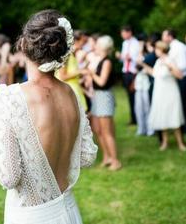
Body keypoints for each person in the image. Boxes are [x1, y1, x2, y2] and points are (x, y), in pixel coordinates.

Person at [0, 9, 97, 224]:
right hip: (69, 211)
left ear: (24, 44)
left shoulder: (10, 98)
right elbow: (87, 156)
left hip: (31, 216)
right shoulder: (71, 93)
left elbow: (9, 177)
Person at [85, 35, 121, 171]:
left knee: (107, 132)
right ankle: (107, 157)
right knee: (98, 130)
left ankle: (115, 160)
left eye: (98, 44)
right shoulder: (99, 60)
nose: (95, 46)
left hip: (104, 97)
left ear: (104, 47)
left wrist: (91, 73)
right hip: (97, 97)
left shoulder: (107, 62)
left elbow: (102, 81)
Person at [145, 41, 186, 151]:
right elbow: (155, 74)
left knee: (174, 115)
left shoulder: (170, 60)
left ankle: (180, 143)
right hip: (159, 92)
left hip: (170, 92)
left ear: (162, 50)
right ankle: (165, 142)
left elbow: (180, 75)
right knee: (162, 116)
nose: (155, 51)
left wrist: (169, 66)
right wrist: (143, 66)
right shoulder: (158, 61)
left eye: (157, 49)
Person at [162, 29, 186, 134]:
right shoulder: (175, 46)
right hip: (178, 77)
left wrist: (172, 68)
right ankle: (183, 126)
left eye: (164, 36)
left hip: (182, 77)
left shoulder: (177, 47)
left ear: (170, 36)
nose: (163, 38)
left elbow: (183, 65)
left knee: (183, 103)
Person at [55, 31, 88, 111]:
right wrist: (80, 71)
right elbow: (62, 76)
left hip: (76, 89)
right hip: (69, 91)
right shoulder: (66, 56)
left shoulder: (73, 55)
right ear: (75, 41)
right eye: (83, 41)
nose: (85, 44)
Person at [118, 25, 140, 125]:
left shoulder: (136, 43)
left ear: (129, 32)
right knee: (129, 96)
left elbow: (137, 59)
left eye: (123, 33)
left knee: (134, 96)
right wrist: (121, 57)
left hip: (133, 71)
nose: (122, 35)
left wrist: (130, 57)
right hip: (125, 71)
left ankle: (137, 118)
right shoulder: (124, 43)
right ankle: (133, 118)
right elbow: (123, 58)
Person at [135, 38, 153, 136]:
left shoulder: (148, 55)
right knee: (138, 107)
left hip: (146, 84)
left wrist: (141, 50)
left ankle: (150, 129)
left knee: (147, 106)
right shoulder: (139, 55)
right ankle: (141, 128)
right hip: (139, 84)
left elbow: (141, 64)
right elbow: (137, 65)